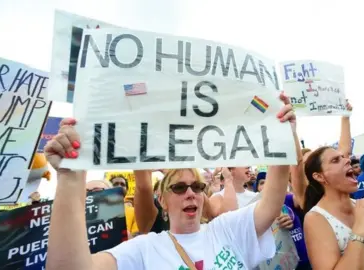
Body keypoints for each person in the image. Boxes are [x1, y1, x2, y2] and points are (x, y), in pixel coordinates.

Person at [44, 93, 295, 269]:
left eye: (197, 187)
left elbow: (271, 202)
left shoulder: (226, 230)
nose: (191, 193)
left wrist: (282, 140)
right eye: (179, 187)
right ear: (162, 200)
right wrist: (70, 177)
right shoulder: (144, 250)